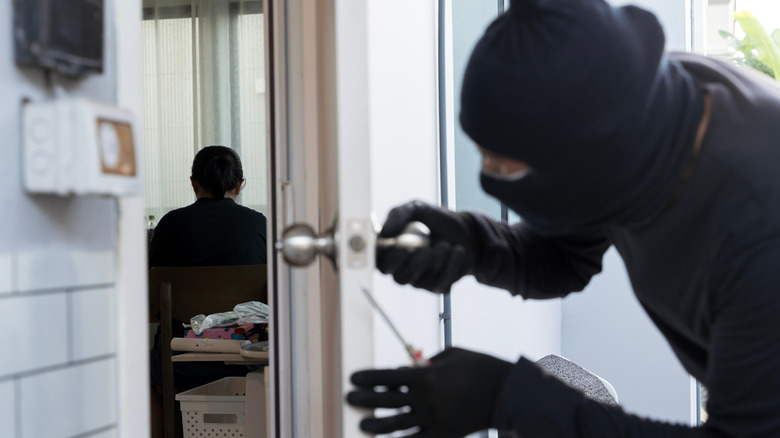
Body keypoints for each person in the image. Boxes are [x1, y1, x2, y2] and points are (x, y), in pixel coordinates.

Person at [346, 0, 780, 437]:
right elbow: (566, 255)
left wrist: (509, 401)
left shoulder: (761, 230)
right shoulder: (640, 110)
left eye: (507, 167)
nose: (491, 179)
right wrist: (475, 246)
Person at [148, 145, 268, 437]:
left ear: (193, 182)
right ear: (240, 185)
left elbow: (151, 300)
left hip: (179, 359)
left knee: (148, 367)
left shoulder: (171, 224)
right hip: (246, 358)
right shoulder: (260, 224)